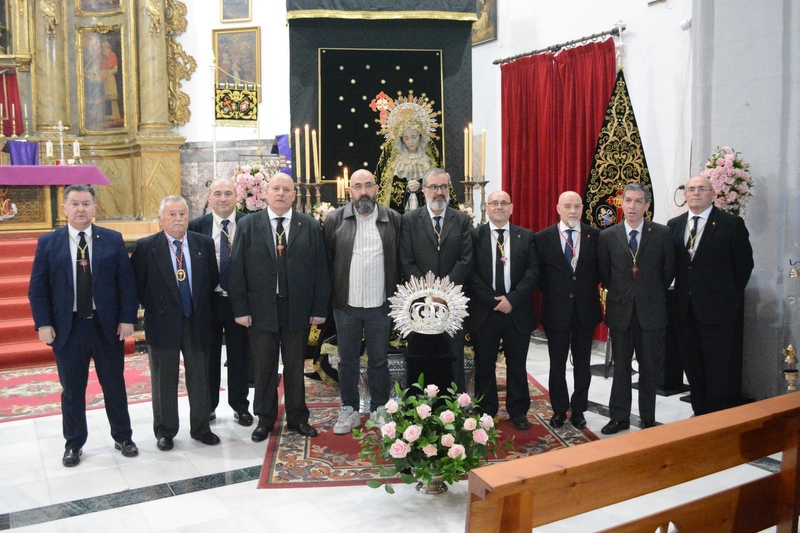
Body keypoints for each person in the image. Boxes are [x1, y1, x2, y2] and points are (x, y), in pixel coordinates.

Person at [28, 184, 139, 467]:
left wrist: (128, 318)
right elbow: (38, 289)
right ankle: (74, 443)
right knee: (73, 390)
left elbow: (126, 284)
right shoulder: (48, 243)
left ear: (95, 208)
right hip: (69, 329)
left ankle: (123, 437)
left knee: (114, 385)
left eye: (86, 203)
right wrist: (43, 323)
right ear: (64, 208)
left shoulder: (112, 240)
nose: (81, 209)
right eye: (75, 204)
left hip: (107, 327)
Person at [228, 173, 331, 441]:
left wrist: (319, 308)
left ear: (294, 194)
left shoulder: (308, 226)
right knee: (264, 368)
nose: (281, 193)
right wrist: (241, 309)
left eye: (287, 189)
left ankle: (298, 418)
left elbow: (321, 270)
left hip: (297, 309)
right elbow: (236, 269)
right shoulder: (249, 225)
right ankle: (265, 419)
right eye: (276, 188)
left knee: (296, 367)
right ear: (266, 192)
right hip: (261, 309)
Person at [131, 196, 221, 451]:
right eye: (171, 214)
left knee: (200, 376)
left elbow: (211, 279)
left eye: (182, 214)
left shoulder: (202, 244)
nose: (178, 219)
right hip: (162, 323)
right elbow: (138, 286)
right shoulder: (146, 248)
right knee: (164, 379)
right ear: (160, 220)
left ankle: (202, 427)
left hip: (197, 321)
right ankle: (165, 430)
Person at [324, 169, 402, 434]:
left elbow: (400, 260)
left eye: (368, 185)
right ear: (350, 191)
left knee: (379, 360)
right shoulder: (335, 220)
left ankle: (380, 408)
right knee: (348, 360)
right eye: (358, 186)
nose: (363, 191)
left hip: (380, 304)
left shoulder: (393, 219)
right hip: (347, 305)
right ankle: (349, 409)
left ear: (377, 188)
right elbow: (328, 261)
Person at [667, 175, 754, 415]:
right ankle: (699, 414)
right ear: (685, 195)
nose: (696, 193)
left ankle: (715, 420)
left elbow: (744, 267)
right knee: (693, 367)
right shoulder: (674, 225)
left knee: (717, 368)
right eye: (691, 189)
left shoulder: (730, 224)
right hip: (685, 309)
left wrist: (729, 300)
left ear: (712, 194)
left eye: (702, 189)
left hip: (718, 311)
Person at [597, 183, 675, 434]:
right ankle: (619, 417)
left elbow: (667, 272)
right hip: (621, 311)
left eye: (638, 201)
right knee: (620, 367)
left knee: (649, 368)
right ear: (621, 203)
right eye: (628, 200)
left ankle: (648, 418)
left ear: (647, 205)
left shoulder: (662, 234)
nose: (632, 206)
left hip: (651, 311)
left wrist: (646, 295)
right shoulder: (608, 236)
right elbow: (605, 273)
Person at [468, 190, 538, 430]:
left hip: (517, 311)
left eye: (503, 203)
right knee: (484, 364)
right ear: (486, 208)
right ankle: (486, 411)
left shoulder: (526, 236)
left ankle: (518, 411)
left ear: (511, 207)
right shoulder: (474, 236)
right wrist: (494, 300)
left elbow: (532, 272)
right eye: (493, 203)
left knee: (517, 364)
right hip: (485, 312)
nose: (498, 206)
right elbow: (471, 274)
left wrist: (512, 299)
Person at [399, 168, 473, 390]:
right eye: (434, 187)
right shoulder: (410, 220)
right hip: (421, 302)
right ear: (424, 190)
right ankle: (419, 408)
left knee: (454, 356)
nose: (439, 192)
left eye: (443, 187)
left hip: (453, 303)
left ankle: (455, 405)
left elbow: (465, 258)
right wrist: (428, 294)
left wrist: (445, 294)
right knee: (421, 357)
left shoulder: (461, 219)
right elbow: (407, 260)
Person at [534, 191, 602, 430]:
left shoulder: (596, 236)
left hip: (586, 310)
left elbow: (601, 272)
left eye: (577, 206)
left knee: (583, 364)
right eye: (567, 206)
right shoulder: (542, 238)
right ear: (558, 208)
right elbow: (539, 277)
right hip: (556, 311)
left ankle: (580, 409)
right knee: (557, 364)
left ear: (582, 209)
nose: (573, 211)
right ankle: (559, 409)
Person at [188, 178, 252, 426]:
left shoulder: (250, 223)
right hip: (208, 302)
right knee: (208, 357)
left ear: (237, 197)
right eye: (217, 194)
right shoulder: (196, 227)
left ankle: (240, 406)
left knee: (239, 355)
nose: (223, 198)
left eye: (228, 193)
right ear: (209, 198)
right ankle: (209, 406)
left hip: (239, 302)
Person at [374, 96, 457, 214]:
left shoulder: (430, 153)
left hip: (427, 215)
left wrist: (420, 189)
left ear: (420, 135)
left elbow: (441, 180)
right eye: (406, 138)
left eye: (414, 137)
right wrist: (406, 190)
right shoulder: (391, 154)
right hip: (397, 214)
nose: (410, 142)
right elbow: (382, 186)